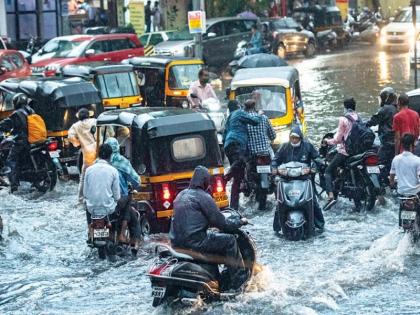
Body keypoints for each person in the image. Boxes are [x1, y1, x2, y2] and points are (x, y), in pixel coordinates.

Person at [170, 166, 249, 290]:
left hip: (176, 243)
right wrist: (240, 222)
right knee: (230, 241)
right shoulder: (203, 197)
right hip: (196, 242)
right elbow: (223, 224)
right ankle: (239, 281)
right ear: (206, 181)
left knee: (214, 238)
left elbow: (192, 219)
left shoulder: (181, 195)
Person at [272, 125, 325, 232]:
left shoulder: (308, 146)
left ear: (300, 137)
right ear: (289, 138)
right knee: (279, 202)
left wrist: (315, 167)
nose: (294, 140)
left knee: (313, 202)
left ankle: (320, 224)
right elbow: (276, 159)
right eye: (292, 138)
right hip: (286, 179)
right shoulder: (284, 147)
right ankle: (277, 226)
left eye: (296, 138)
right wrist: (273, 167)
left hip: (304, 179)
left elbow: (317, 158)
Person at [84, 144, 137, 251]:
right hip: (109, 209)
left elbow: (85, 193)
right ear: (110, 156)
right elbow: (117, 196)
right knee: (127, 198)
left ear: (98, 155)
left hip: (92, 209)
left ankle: (90, 232)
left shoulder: (88, 170)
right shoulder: (113, 170)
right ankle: (122, 233)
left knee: (87, 204)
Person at [105, 137, 142, 253]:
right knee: (133, 217)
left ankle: (98, 235)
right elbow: (136, 180)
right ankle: (130, 241)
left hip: (100, 202)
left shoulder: (97, 163)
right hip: (118, 201)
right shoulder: (121, 162)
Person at [323, 98, 360, 209]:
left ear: (345, 107)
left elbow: (338, 139)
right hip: (357, 151)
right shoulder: (358, 117)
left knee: (328, 171)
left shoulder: (343, 119)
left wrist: (327, 141)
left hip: (345, 152)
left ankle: (330, 196)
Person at [223, 100, 261, 210]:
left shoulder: (228, 118)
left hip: (228, 146)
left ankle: (234, 207)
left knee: (238, 176)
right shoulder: (239, 113)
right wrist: (260, 114)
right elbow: (255, 121)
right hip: (237, 143)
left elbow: (224, 134)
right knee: (238, 168)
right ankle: (225, 178)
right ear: (238, 106)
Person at [244, 99, 276, 210]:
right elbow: (273, 136)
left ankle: (247, 185)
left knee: (246, 172)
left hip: (252, 155)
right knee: (274, 170)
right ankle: (272, 180)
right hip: (265, 153)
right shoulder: (264, 118)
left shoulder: (244, 120)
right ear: (255, 106)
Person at [0, 94, 34, 193]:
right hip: (31, 139)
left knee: (11, 160)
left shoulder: (17, 113)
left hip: (21, 140)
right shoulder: (31, 111)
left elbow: (7, 123)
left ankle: (14, 185)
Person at [366, 87, 397, 185]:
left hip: (388, 143)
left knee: (376, 164)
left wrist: (364, 125)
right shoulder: (395, 108)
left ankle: (379, 188)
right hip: (395, 142)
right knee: (390, 164)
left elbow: (374, 120)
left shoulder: (386, 109)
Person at [68, 108, 97, 203]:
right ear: (89, 115)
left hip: (87, 154)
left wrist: (78, 143)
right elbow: (109, 132)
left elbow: (70, 137)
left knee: (84, 178)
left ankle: (81, 199)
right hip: (99, 151)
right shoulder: (95, 121)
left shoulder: (75, 126)